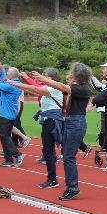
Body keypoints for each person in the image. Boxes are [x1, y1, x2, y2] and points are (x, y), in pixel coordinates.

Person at [32, 62, 92, 200]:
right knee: (67, 155)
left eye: (72, 73)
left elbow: (60, 86)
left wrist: (43, 78)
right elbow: (57, 87)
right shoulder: (76, 87)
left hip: (76, 123)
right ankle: (71, 186)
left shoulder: (82, 89)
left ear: (77, 75)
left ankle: (73, 187)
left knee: (69, 156)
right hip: (71, 121)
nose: (69, 75)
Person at [9, 68, 64, 189]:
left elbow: (35, 89)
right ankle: (52, 178)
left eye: (44, 76)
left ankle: (52, 179)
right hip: (49, 119)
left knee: (48, 150)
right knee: (48, 150)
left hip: (51, 120)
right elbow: (35, 91)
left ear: (51, 78)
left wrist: (15, 83)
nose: (41, 77)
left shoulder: (53, 88)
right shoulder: (50, 88)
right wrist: (19, 86)